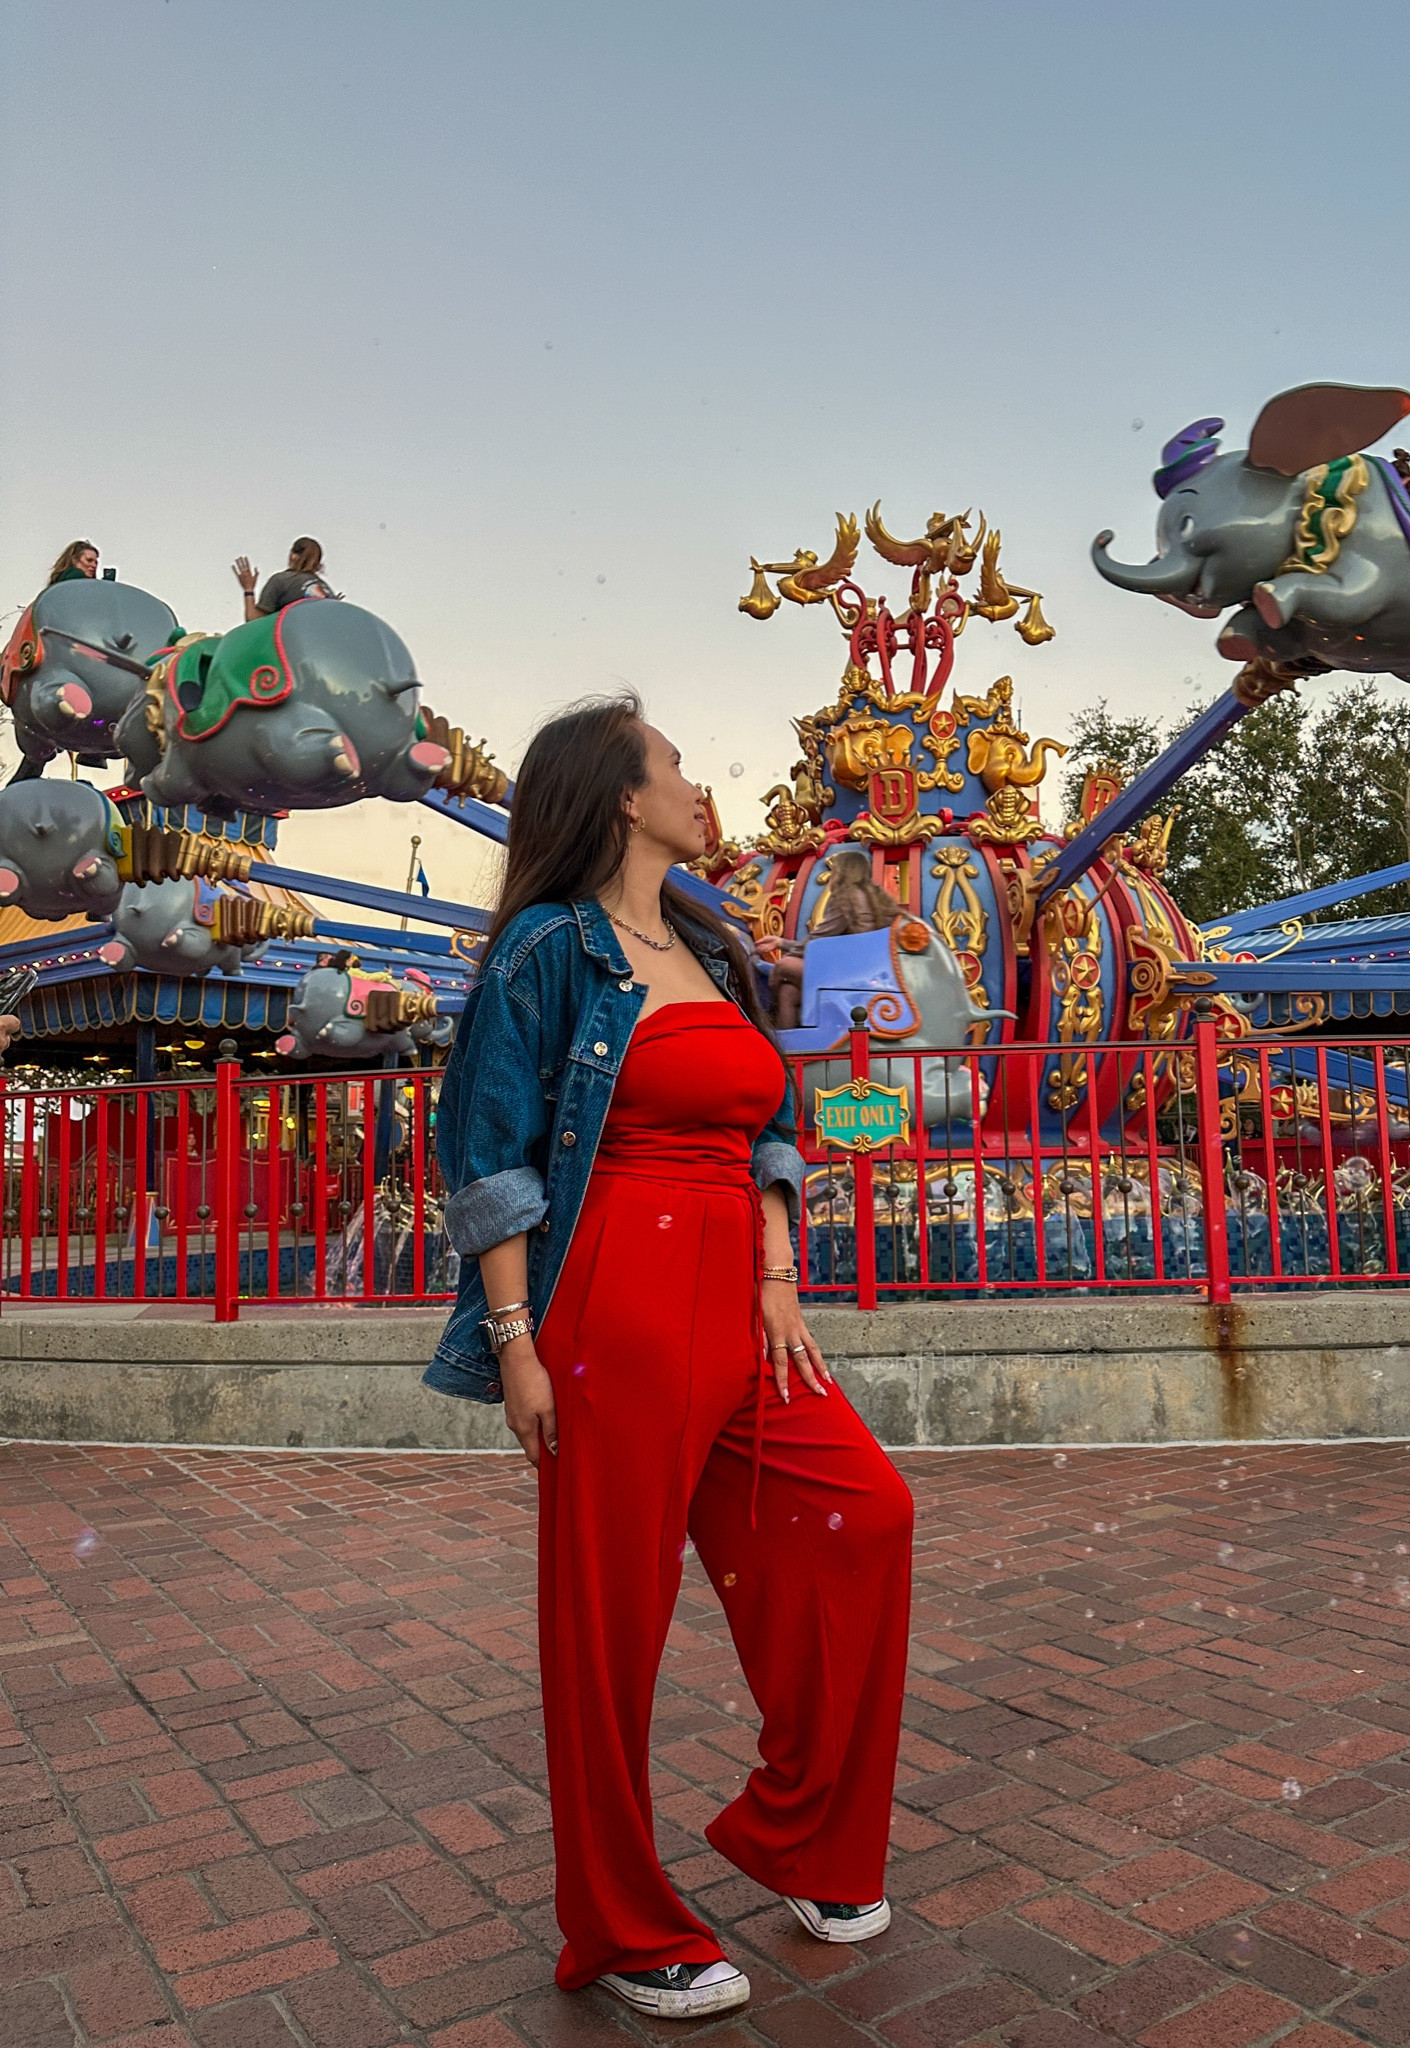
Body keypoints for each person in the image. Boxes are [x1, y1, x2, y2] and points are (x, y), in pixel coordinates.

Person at [424, 693, 913, 2021]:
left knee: (863, 1515)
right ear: (622, 797)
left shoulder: (707, 939)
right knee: (609, 1625)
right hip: (613, 1305)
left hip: (738, 1301)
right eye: (678, 768)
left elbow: (767, 1126)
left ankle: (798, 1832)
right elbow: (489, 1157)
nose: (703, 788)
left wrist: (776, 1271)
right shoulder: (548, 952)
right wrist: (519, 1347)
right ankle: (623, 1924)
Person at [758, 849, 899, 1029]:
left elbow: (818, 940)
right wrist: (780, 943)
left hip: (849, 975)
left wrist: (788, 950)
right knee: (789, 993)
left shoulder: (848, 898)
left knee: (783, 966)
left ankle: (767, 1017)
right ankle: (790, 1042)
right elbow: (825, 944)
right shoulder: (877, 898)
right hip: (868, 971)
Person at [231, 537, 339, 622]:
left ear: (293, 556)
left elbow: (254, 621)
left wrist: (248, 589)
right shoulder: (326, 588)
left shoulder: (281, 580)